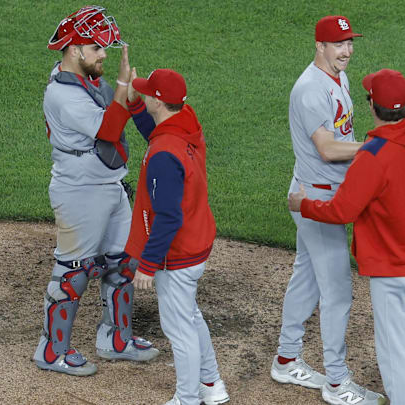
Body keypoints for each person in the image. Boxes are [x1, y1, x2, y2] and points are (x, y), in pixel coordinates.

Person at [288, 69, 405, 405]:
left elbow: (340, 212)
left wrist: (304, 204)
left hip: (391, 263)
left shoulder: (372, 156)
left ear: (373, 107)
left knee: (394, 347)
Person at [32, 5, 159, 377]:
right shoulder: (61, 95)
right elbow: (106, 131)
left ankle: (115, 339)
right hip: (80, 190)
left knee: (122, 262)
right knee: (74, 271)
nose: (104, 54)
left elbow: (124, 113)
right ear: (74, 51)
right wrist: (122, 86)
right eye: (97, 48)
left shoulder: (87, 81)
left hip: (109, 184)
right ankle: (51, 350)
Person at [271, 15, 385, 405]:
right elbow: (329, 148)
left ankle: (286, 358)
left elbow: (342, 137)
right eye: (339, 44)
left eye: (350, 42)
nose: (347, 51)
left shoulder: (339, 78)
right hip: (316, 201)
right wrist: (379, 145)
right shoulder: (309, 91)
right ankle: (337, 383)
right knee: (337, 292)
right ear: (319, 45)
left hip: (325, 193)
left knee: (307, 276)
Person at [126, 68, 229, 405]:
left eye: (147, 94)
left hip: (178, 253)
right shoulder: (185, 121)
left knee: (179, 328)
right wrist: (137, 109)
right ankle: (212, 385)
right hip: (197, 241)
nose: (144, 95)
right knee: (190, 316)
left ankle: (187, 399)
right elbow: (159, 137)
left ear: (159, 100)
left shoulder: (164, 156)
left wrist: (149, 264)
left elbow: (168, 217)